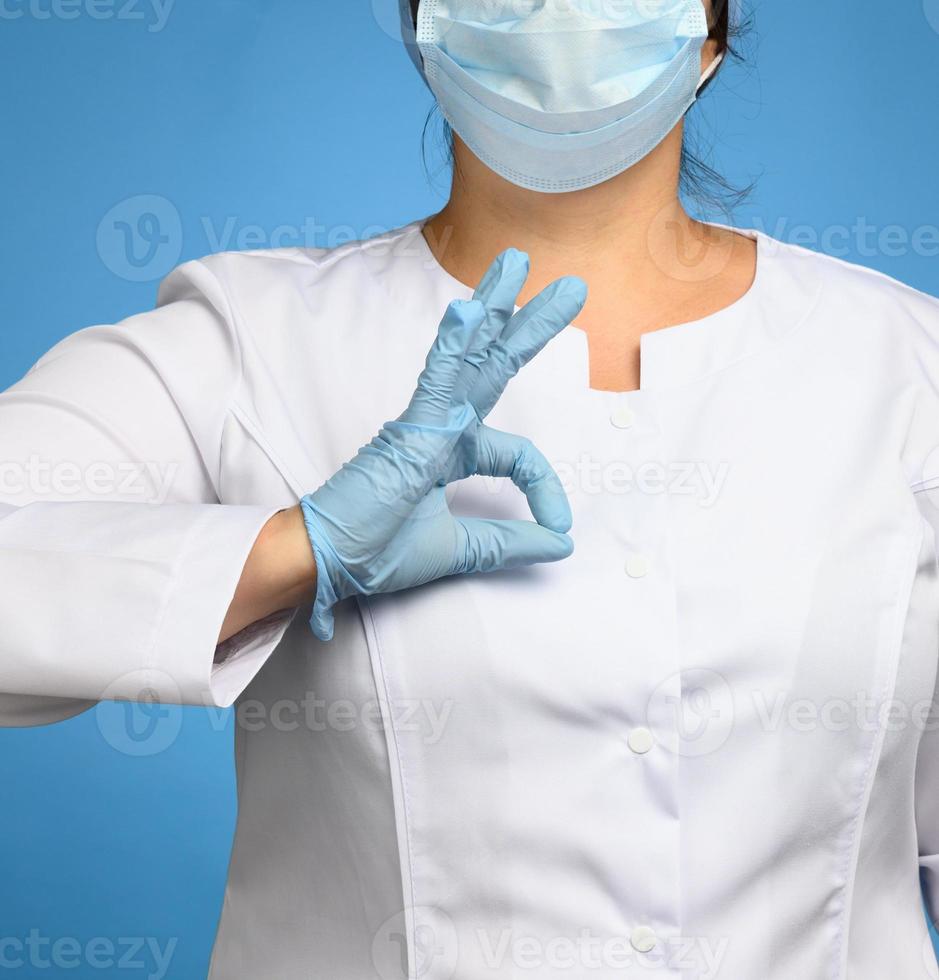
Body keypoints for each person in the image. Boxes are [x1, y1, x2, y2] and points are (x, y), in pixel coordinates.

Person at [2, 0, 938, 976]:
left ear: (710, 29)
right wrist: (300, 546)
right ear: (424, 24)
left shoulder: (909, 370)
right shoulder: (252, 340)